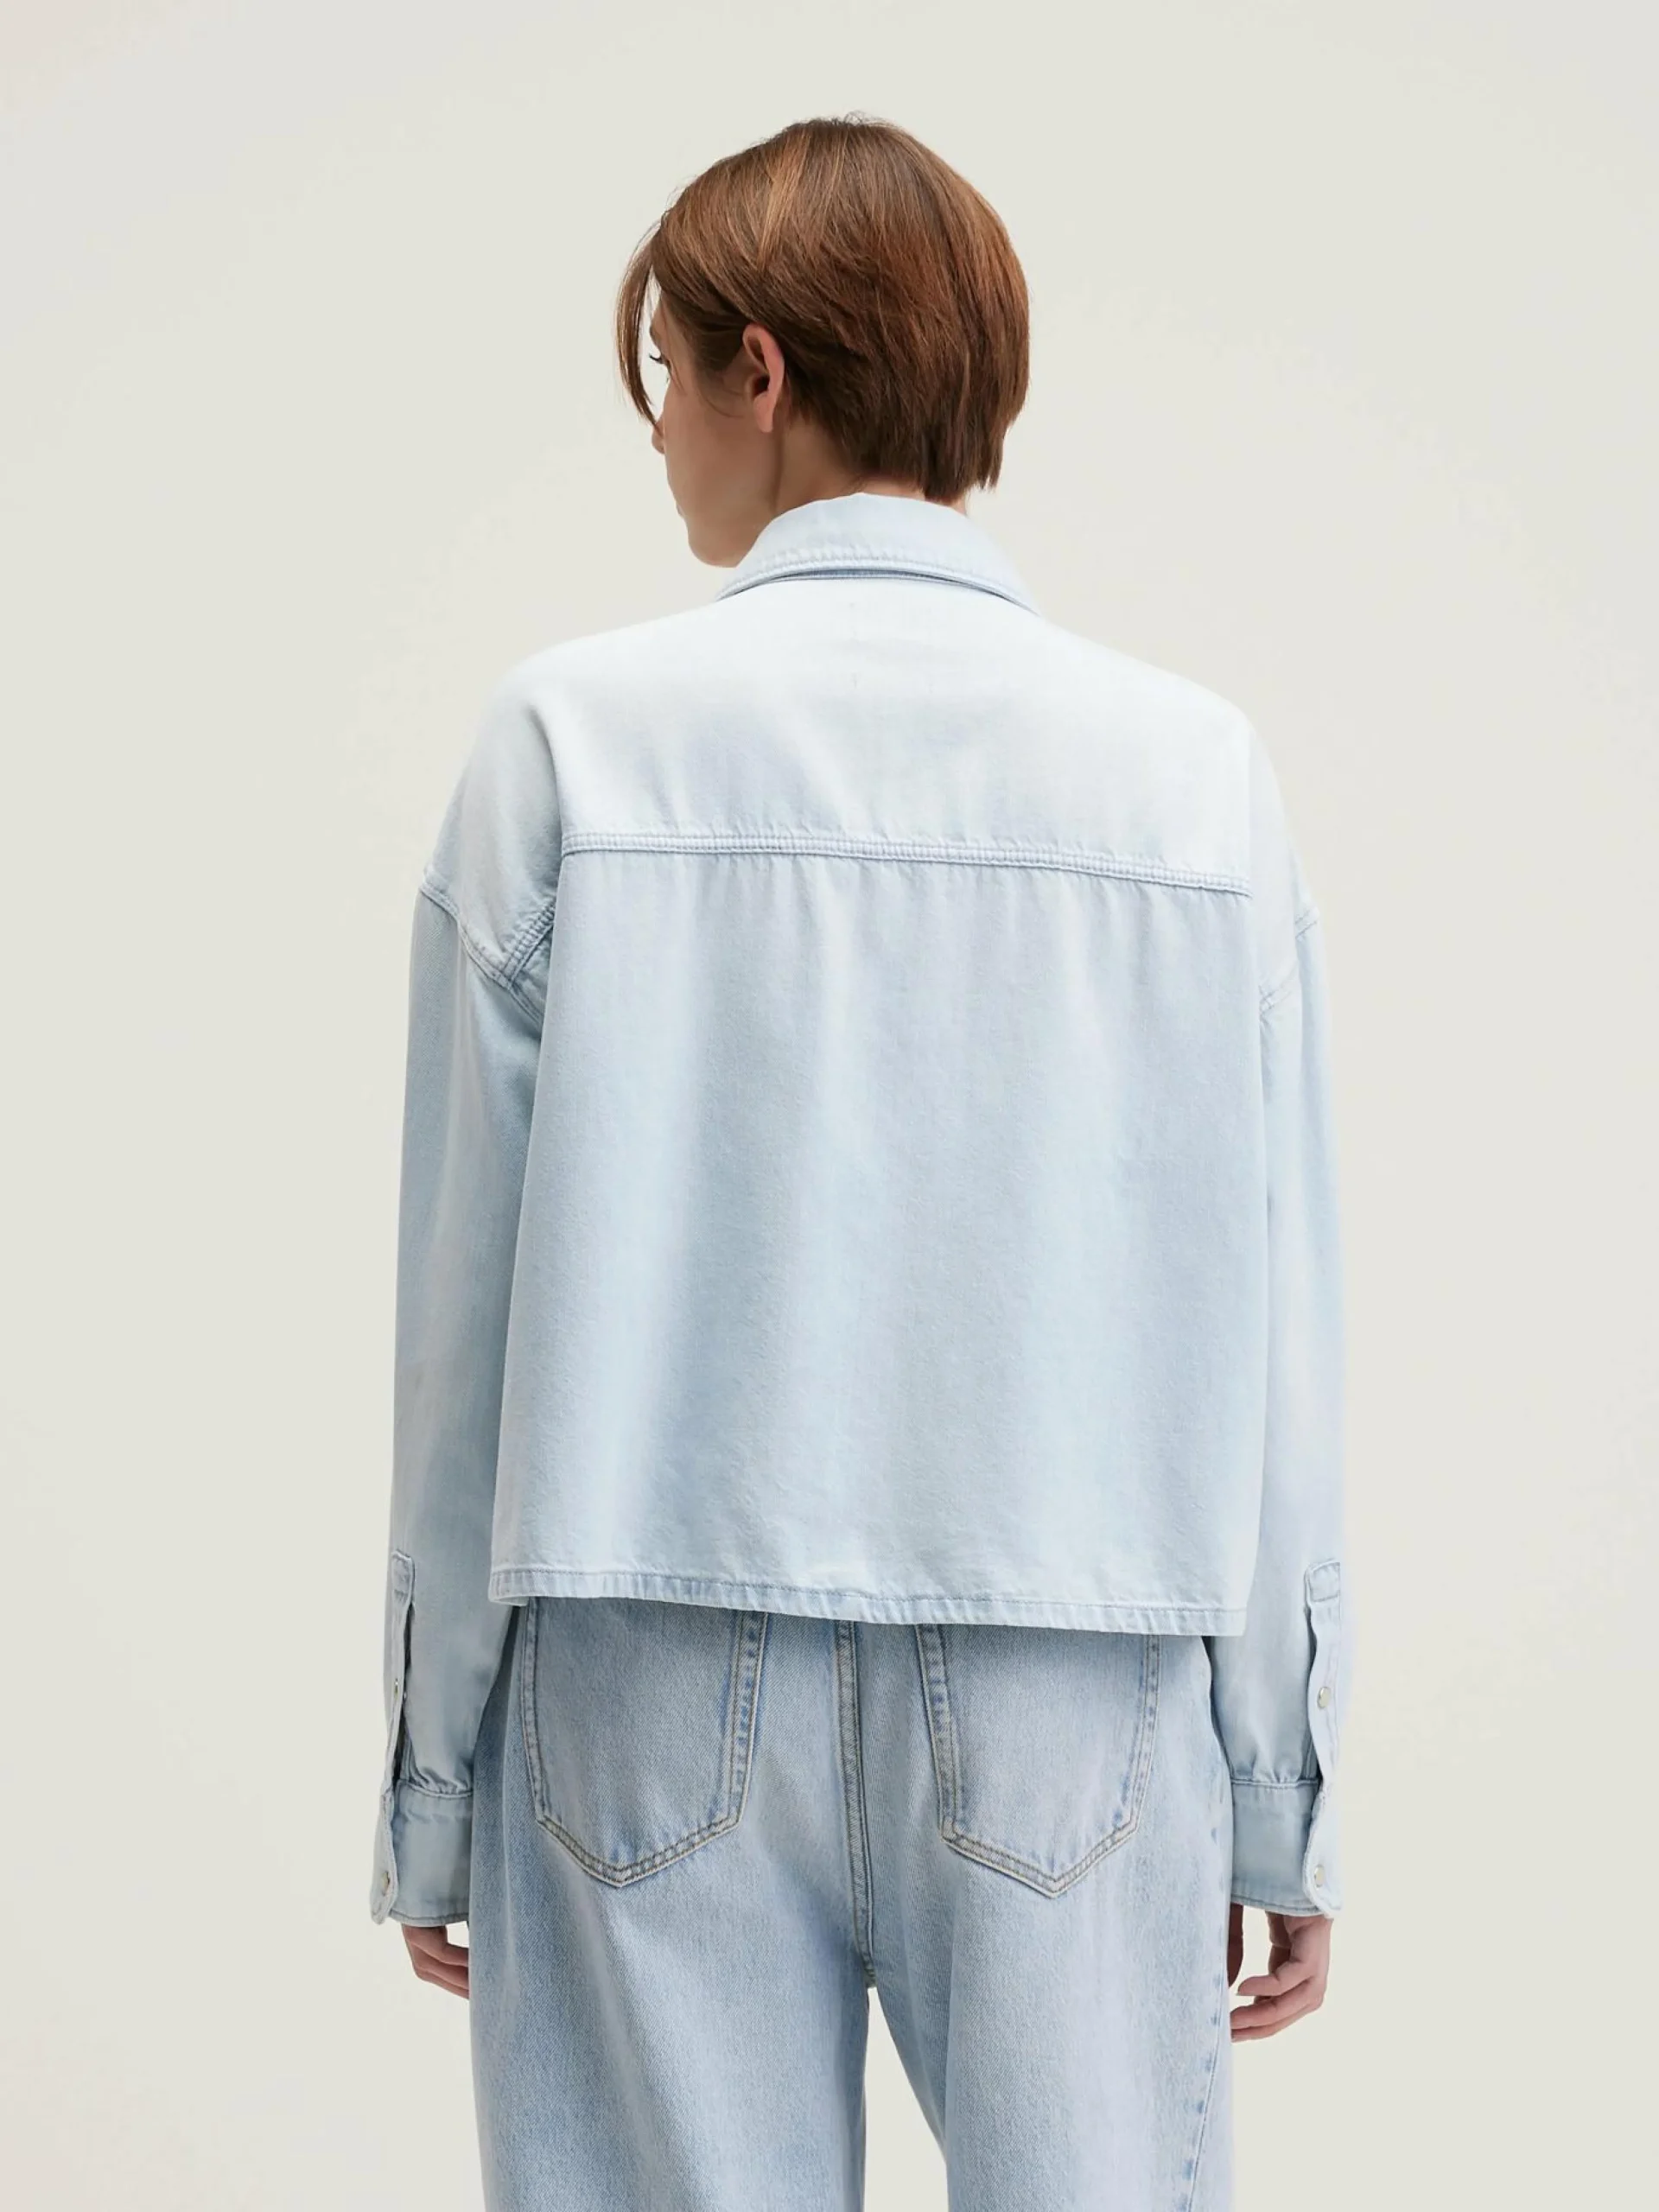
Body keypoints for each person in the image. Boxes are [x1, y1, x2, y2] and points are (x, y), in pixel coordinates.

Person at [369, 114, 1350, 2211]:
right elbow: (1274, 1316)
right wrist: (1281, 1779)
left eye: (663, 373)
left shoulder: (567, 742)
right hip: (1073, 1657)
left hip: (637, 1649)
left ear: (763, 371)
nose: (657, 434)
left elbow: (466, 1317)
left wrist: (435, 1769)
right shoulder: (1192, 778)